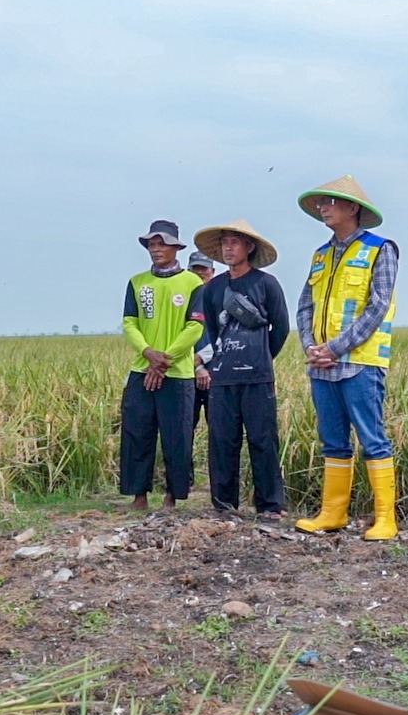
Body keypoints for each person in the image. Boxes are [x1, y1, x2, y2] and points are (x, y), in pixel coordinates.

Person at [293, 175, 400, 541]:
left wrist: (336, 347)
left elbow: (378, 306)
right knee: (333, 440)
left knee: (373, 438)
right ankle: (332, 512)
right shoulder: (321, 255)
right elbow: (305, 305)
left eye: (331, 203)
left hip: (361, 362)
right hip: (321, 365)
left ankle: (386, 518)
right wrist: (311, 346)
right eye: (321, 203)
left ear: (353, 208)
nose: (324, 208)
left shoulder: (380, 249)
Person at [193, 219, 290, 523]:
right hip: (222, 376)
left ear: (249, 247)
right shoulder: (214, 288)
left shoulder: (266, 284)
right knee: (222, 441)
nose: (229, 247)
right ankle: (224, 504)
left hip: (257, 376)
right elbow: (209, 328)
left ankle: (270, 505)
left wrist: (262, 356)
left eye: (235, 242)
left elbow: (281, 327)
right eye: (225, 243)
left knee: (263, 440)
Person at [120, 221, 205, 509]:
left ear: (176, 247)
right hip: (141, 369)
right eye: (151, 244)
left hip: (178, 373)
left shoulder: (193, 283)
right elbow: (130, 322)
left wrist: (163, 360)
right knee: (137, 432)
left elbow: (195, 327)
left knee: (177, 435)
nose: (156, 249)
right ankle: (138, 495)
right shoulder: (137, 282)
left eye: (162, 244)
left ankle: (173, 495)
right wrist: (147, 353)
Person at [188, 250, 216, 432]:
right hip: (187, 370)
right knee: (185, 425)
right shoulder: (183, 298)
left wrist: (203, 359)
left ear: (212, 271)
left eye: (203, 269)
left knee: (219, 427)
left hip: (216, 370)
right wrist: (196, 367)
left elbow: (226, 332)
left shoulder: (219, 296)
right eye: (195, 269)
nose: (199, 273)